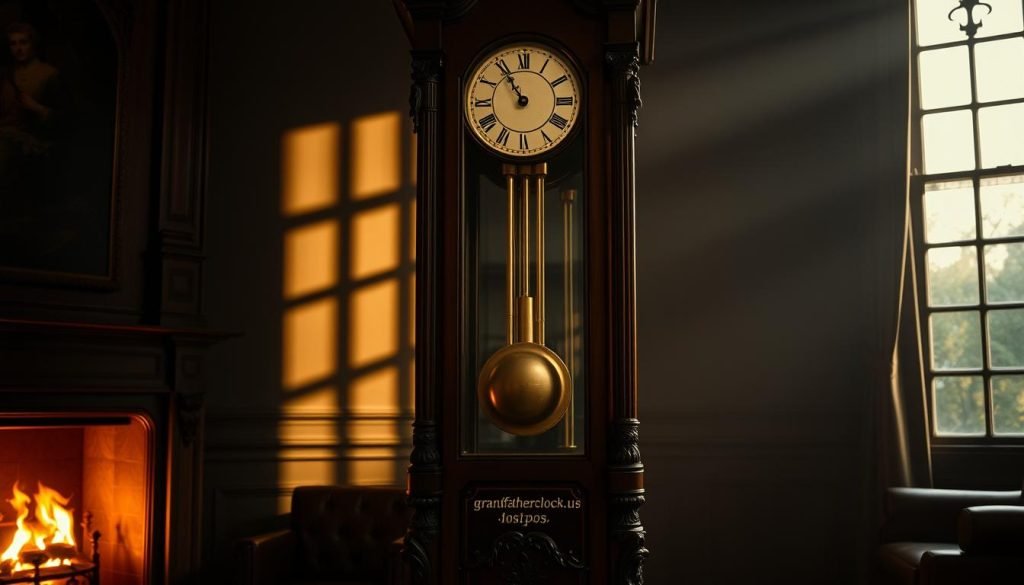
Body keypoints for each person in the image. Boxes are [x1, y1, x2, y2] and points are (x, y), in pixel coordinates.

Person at [0, 22, 63, 196]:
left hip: (29, 138)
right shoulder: (5, 74)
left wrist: (36, 107)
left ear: (33, 44)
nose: (18, 48)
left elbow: (63, 119)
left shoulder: (48, 74)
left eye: (23, 42)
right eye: (13, 43)